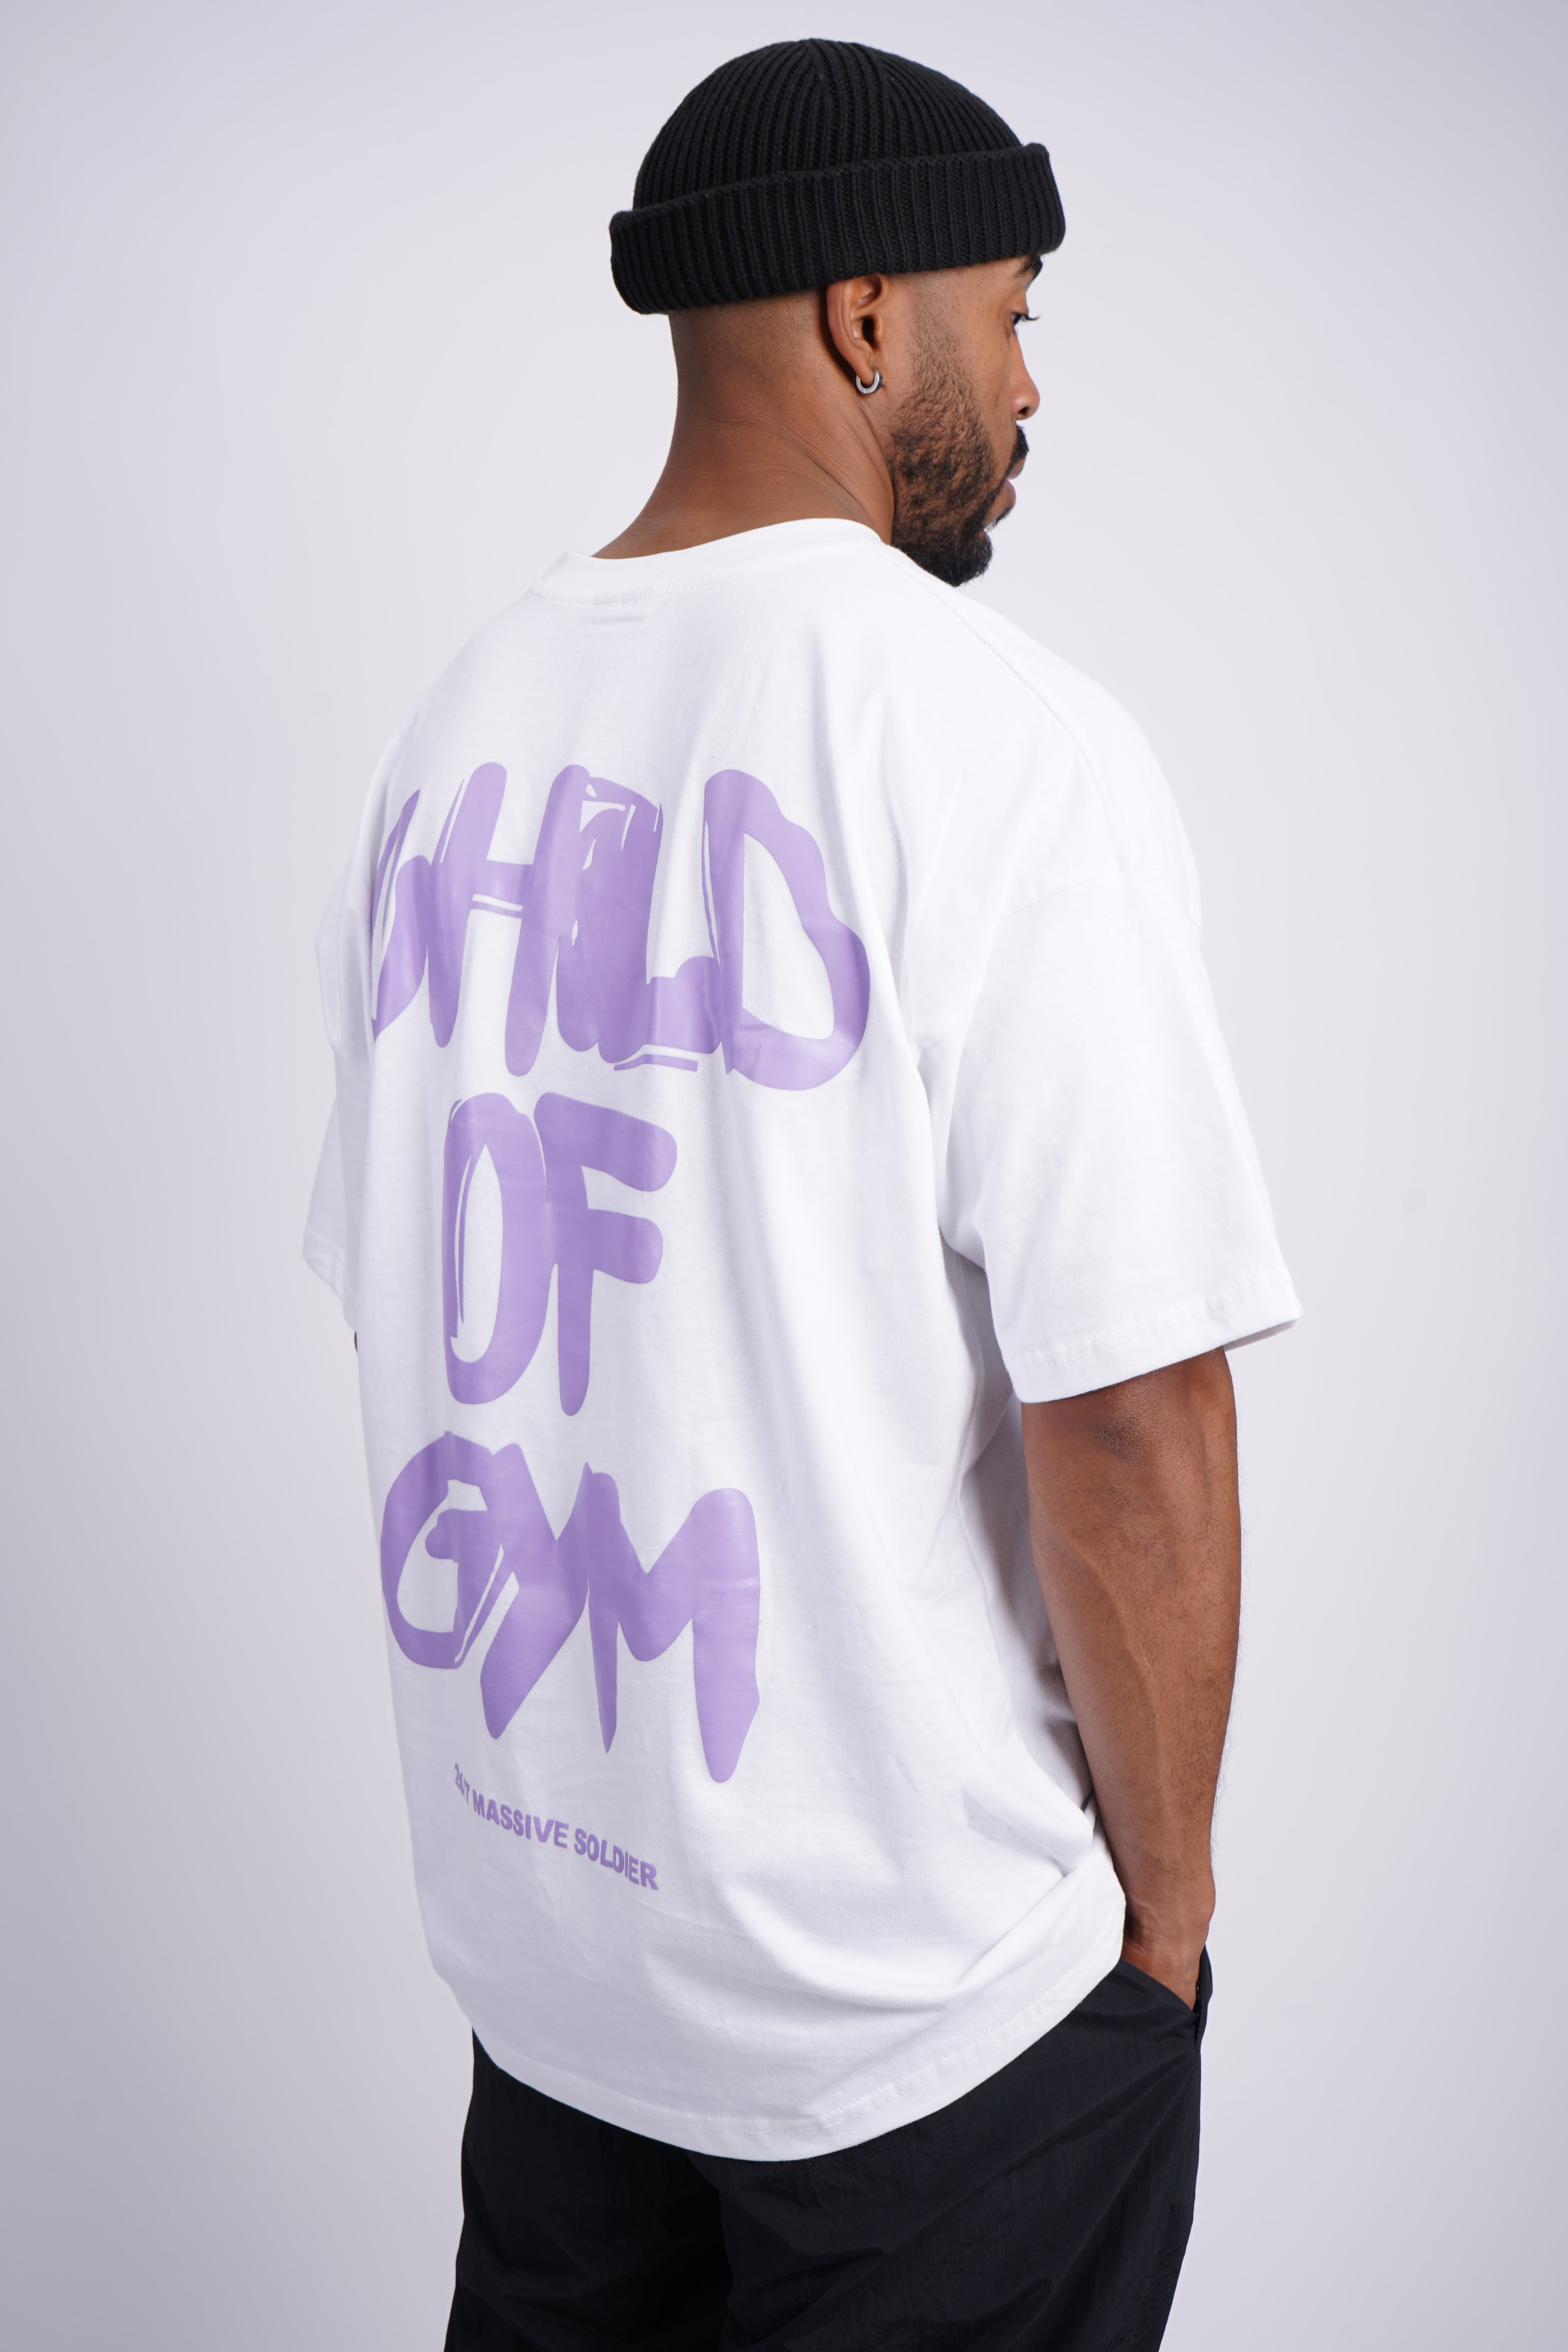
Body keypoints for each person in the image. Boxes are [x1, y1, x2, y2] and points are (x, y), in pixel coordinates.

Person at [304, 37, 1299, 2350]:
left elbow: (404, 1297)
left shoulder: (450, 737)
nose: (1031, 386)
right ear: (869, 315)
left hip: (562, 1994)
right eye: (1012, 312)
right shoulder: (999, 741)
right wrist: (1164, 1932)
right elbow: (1134, 1413)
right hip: (918, 2031)